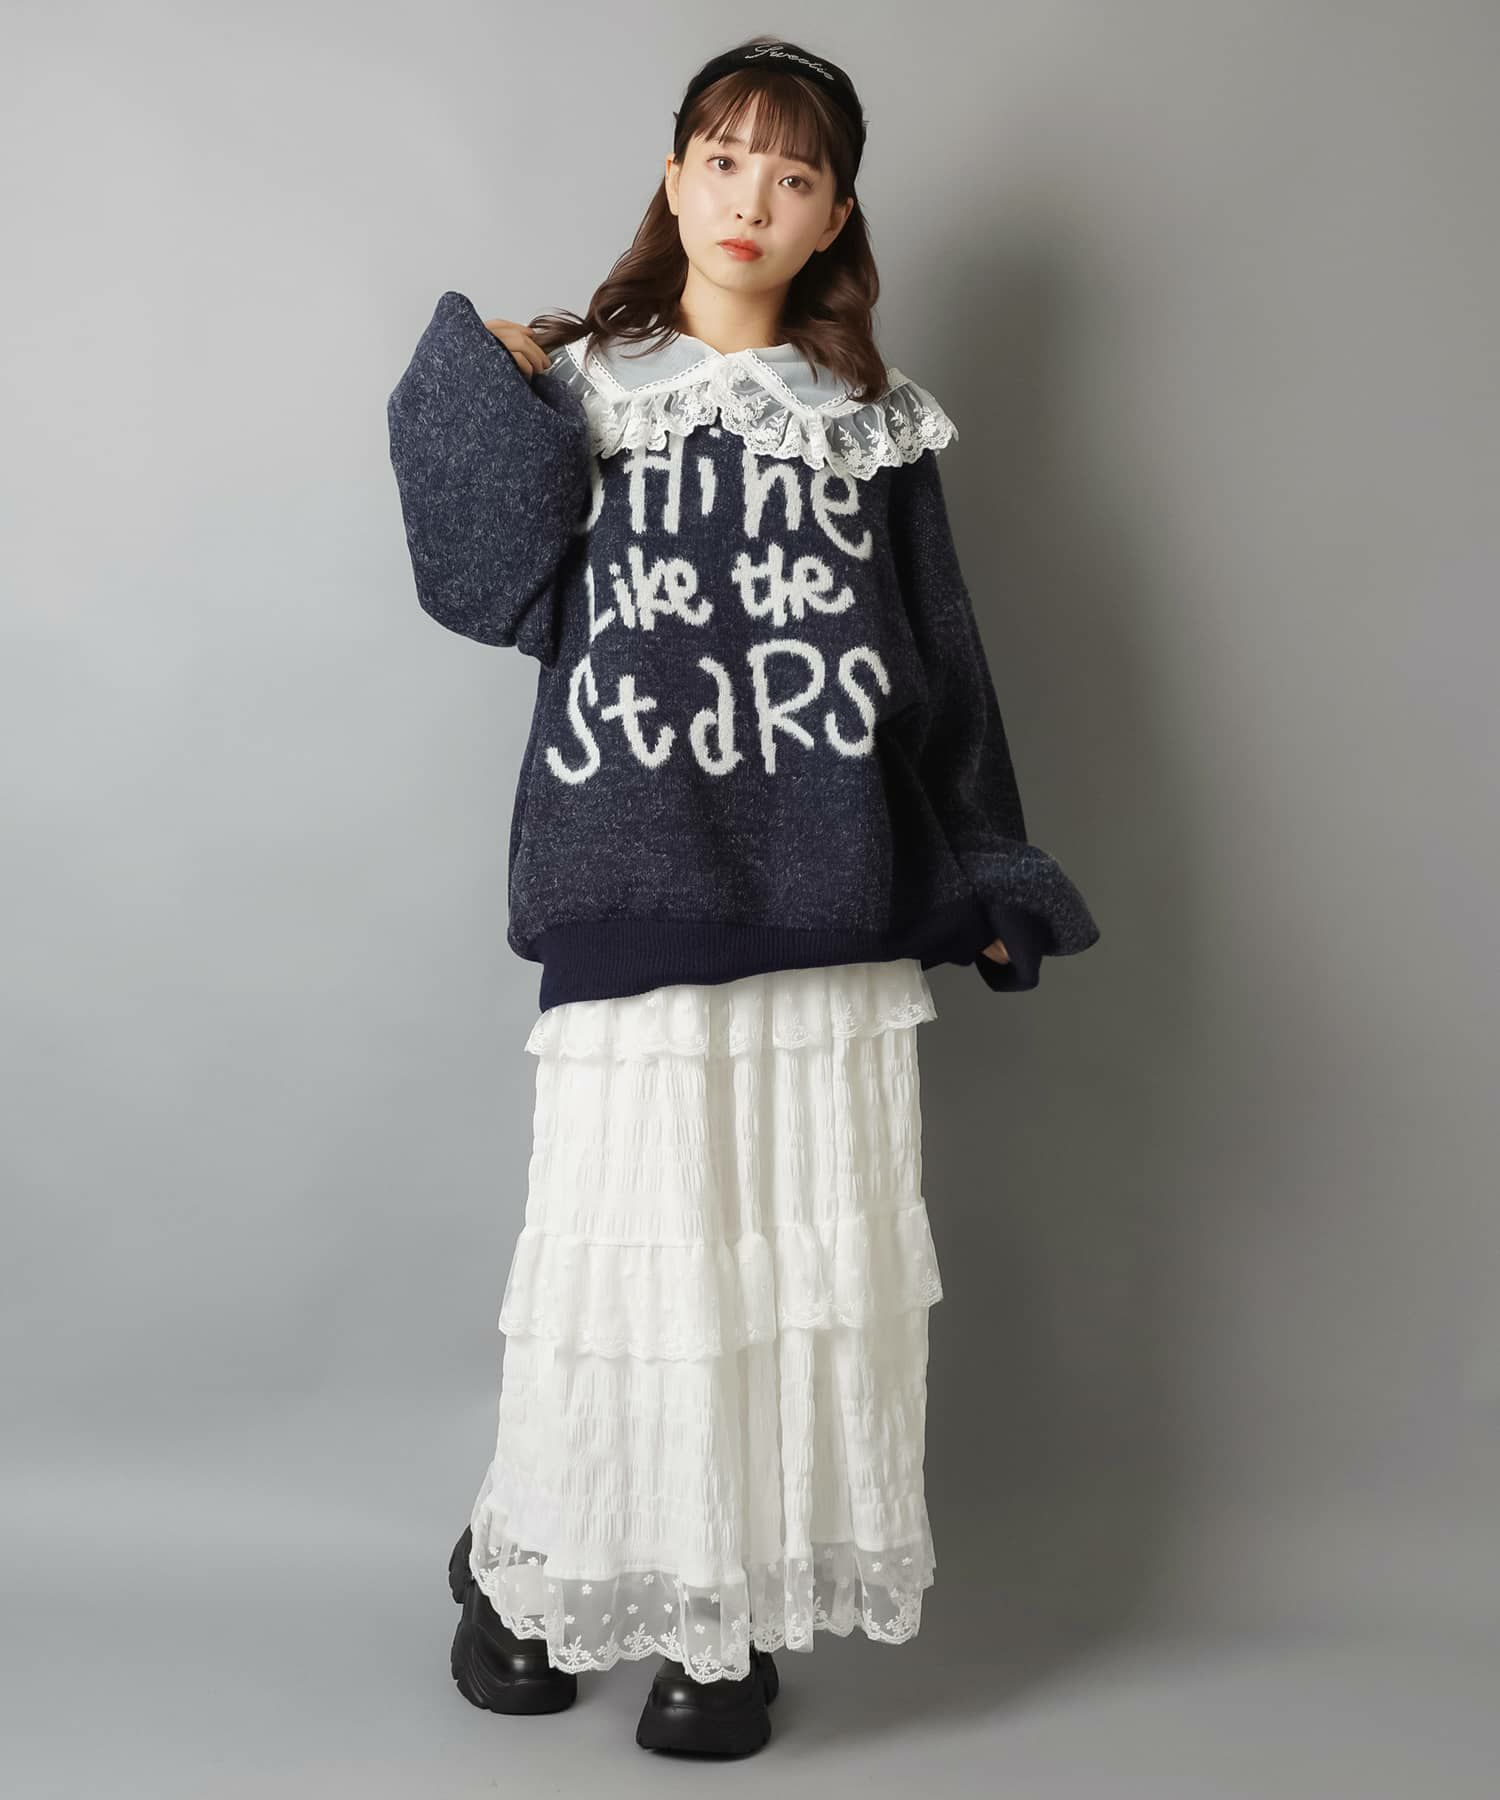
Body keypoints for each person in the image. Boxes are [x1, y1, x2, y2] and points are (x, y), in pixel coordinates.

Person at [387, 33, 1101, 1760]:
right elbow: (478, 587)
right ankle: (524, 1571)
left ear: (836, 214)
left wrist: (990, 865)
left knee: (783, 1279)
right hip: (631, 874)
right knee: (631, 1268)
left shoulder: (873, 423)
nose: (750, 199)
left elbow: (940, 670)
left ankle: (729, 1624)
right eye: (722, 158)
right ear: (674, 173)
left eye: (793, 175)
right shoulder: (587, 388)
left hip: (828, 889)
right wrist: (481, 384)